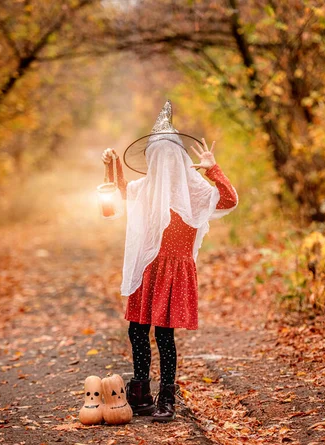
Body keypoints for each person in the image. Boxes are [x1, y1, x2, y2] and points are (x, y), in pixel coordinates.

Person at [101, 100, 238, 422]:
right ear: (150, 161)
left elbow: (230, 199)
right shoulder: (146, 188)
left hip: (174, 269)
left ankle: (167, 397)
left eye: (169, 157)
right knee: (137, 331)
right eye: (156, 158)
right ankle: (140, 391)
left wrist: (213, 168)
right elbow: (121, 192)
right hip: (147, 266)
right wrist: (112, 165)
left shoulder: (195, 191)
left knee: (164, 336)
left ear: (179, 159)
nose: (163, 164)